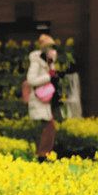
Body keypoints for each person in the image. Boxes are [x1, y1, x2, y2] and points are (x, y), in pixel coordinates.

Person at [27, 34, 59, 162]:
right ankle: (42, 155)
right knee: (48, 127)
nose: (53, 51)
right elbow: (31, 80)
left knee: (47, 127)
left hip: (45, 100)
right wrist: (48, 77)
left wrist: (52, 65)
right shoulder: (36, 62)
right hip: (38, 99)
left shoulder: (48, 62)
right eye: (50, 48)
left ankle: (43, 155)